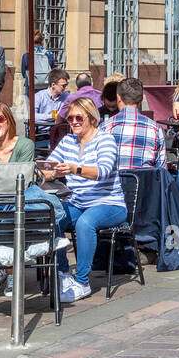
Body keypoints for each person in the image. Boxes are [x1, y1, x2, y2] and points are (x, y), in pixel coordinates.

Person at [40, 97, 126, 303]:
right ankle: (63, 274)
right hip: (78, 201)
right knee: (54, 218)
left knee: (85, 223)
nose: (74, 122)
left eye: (79, 117)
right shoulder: (68, 141)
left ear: (92, 118)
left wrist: (73, 168)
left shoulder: (105, 140)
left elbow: (103, 172)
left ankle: (82, 281)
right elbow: (50, 166)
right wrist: (47, 171)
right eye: (70, 118)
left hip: (109, 203)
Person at [109, 77, 167, 170]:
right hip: (144, 183)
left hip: (113, 183)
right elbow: (162, 168)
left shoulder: (105, 127)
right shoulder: (155, 128)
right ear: (141, 99)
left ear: (118, 98)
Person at [34, 69, 70, 137]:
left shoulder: (66, 96)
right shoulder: (39, 96)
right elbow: (32, 116)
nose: (66, 88)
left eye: (66, 85)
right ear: (53, 85)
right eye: (63, 85)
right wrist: (53, 117)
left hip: (58, 133)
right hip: (40, 133)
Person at [21, 30, 54, 98]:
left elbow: (23, 73)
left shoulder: (27, 55)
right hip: (45, 84)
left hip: (31, 85)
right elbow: (51, 68)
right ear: (42, 41)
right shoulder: (49, 54)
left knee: (31, 107)